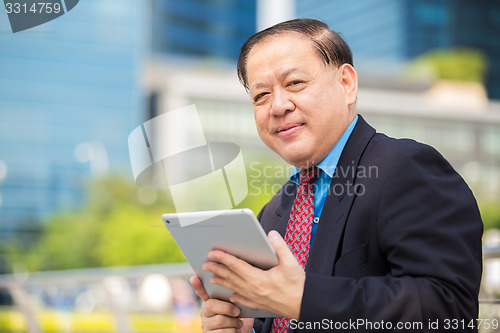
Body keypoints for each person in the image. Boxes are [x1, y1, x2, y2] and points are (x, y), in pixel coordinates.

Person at [190, 18, 483, 333]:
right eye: (260, 96)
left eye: (295, 83)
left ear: (346, 84)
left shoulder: (406, 167)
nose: (277, 106)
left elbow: (449, 309)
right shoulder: (273, 212)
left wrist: (303, 298)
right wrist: (244, 328)